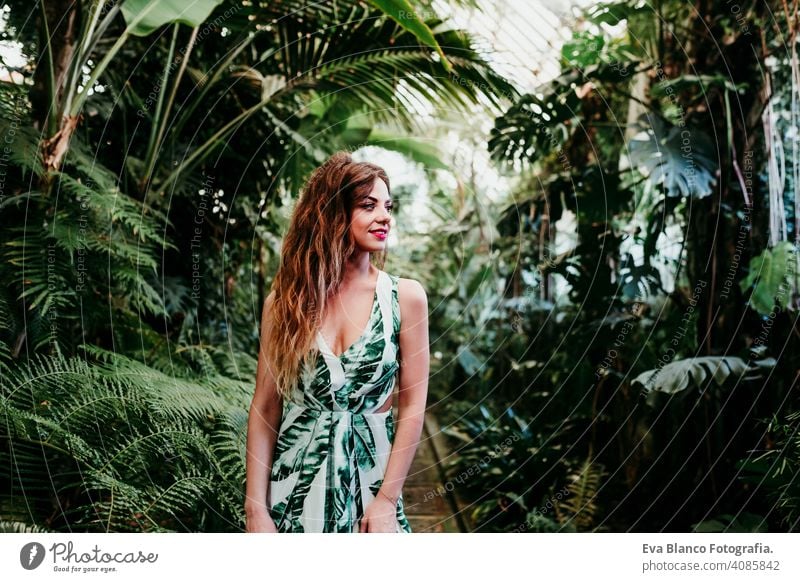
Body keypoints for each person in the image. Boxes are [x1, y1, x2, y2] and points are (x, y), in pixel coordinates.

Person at [244, 151, 430, 533]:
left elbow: (413, 404)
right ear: (331, 213)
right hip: (292, 494)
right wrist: (256, 510)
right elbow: (265, 407)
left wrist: (387, 501)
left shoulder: (404, 298)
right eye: (368, 205)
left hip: (371, 494)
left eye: (387, 206)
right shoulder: (285, 304)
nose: (384, 216)